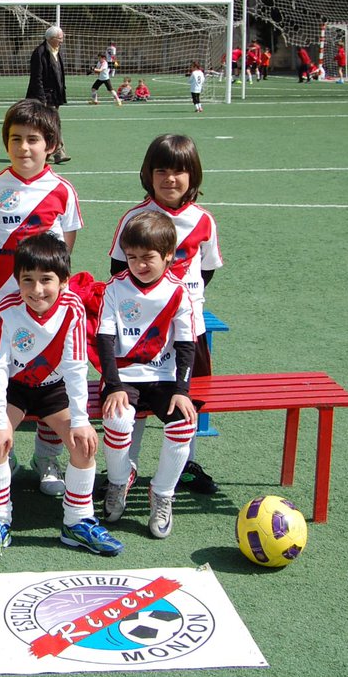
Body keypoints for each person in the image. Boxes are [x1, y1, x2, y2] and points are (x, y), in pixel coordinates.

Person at [0, 232, 123, 560]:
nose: (37, 289)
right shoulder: (6, 309)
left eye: (46, 280)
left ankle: (77, 520)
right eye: (27, 280)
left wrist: (82, 421)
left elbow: (75, 367)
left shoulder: (72, 307)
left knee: (83, 445)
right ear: (17, 280)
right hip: (16, 388)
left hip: (54, 389)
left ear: (64, 281)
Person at [0, 99, 82, 499]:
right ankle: (5, 450)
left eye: (33, 139)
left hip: (46, 310)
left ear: (50, 144)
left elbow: (64, 246)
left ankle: (46, 456)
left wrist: (48, 287)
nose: (24, 147)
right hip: (3, 303)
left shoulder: (63, 191)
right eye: (15, 139)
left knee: (52, 380)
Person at [109, 134, 223, 495]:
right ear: (148, 173)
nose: (170, 179)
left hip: (190, 329)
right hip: (141, 335)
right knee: (135, 400)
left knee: (184, 399)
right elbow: (117, 269)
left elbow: (206, 270)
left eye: (179, 171)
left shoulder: (203, 220)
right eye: (161, 170)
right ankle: (127, 467)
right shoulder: (134, 218)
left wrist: (182, 301)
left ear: (193, 175)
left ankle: (184, 464)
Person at [100, 211, 200, 539]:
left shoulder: (178, 292)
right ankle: (118, 481)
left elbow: (187, 344)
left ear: (168, 256)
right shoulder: (115, 288)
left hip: (164, 378)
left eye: (148, 258)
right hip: (125, 376)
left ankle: (162, 493)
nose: (139, 264)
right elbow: (105, 339)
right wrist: (113, 384)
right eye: (131, 257)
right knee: (116, 419)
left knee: (185, 421)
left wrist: (182, 390)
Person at [25, 26, 70, 163]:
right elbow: (36, 78)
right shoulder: (39, 53)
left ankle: (46, 152)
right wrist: (41, 99)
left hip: (55, 96)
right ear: (50, 39)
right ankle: (58, 152)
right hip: (44, 96)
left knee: (45, 125)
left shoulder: (57, 52)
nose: (61, 41)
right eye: (59, 38)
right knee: (52, 124)